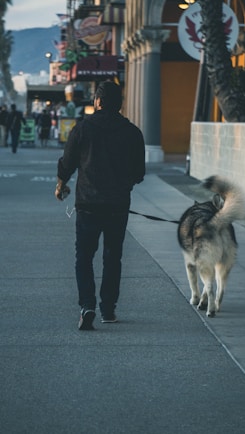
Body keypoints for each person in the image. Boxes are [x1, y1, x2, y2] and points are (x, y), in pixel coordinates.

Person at [55, 81, 145, 331]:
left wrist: (61, 185)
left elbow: (68, 162)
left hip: (87, 205)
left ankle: (87, 306)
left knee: (84, 257)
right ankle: (108, 309)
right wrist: (123, 183)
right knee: (112, 257)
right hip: (117, 205)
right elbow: (139, 173)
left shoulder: (82, 129)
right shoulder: (132, 132)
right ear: (120, 103)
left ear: (98, 101)